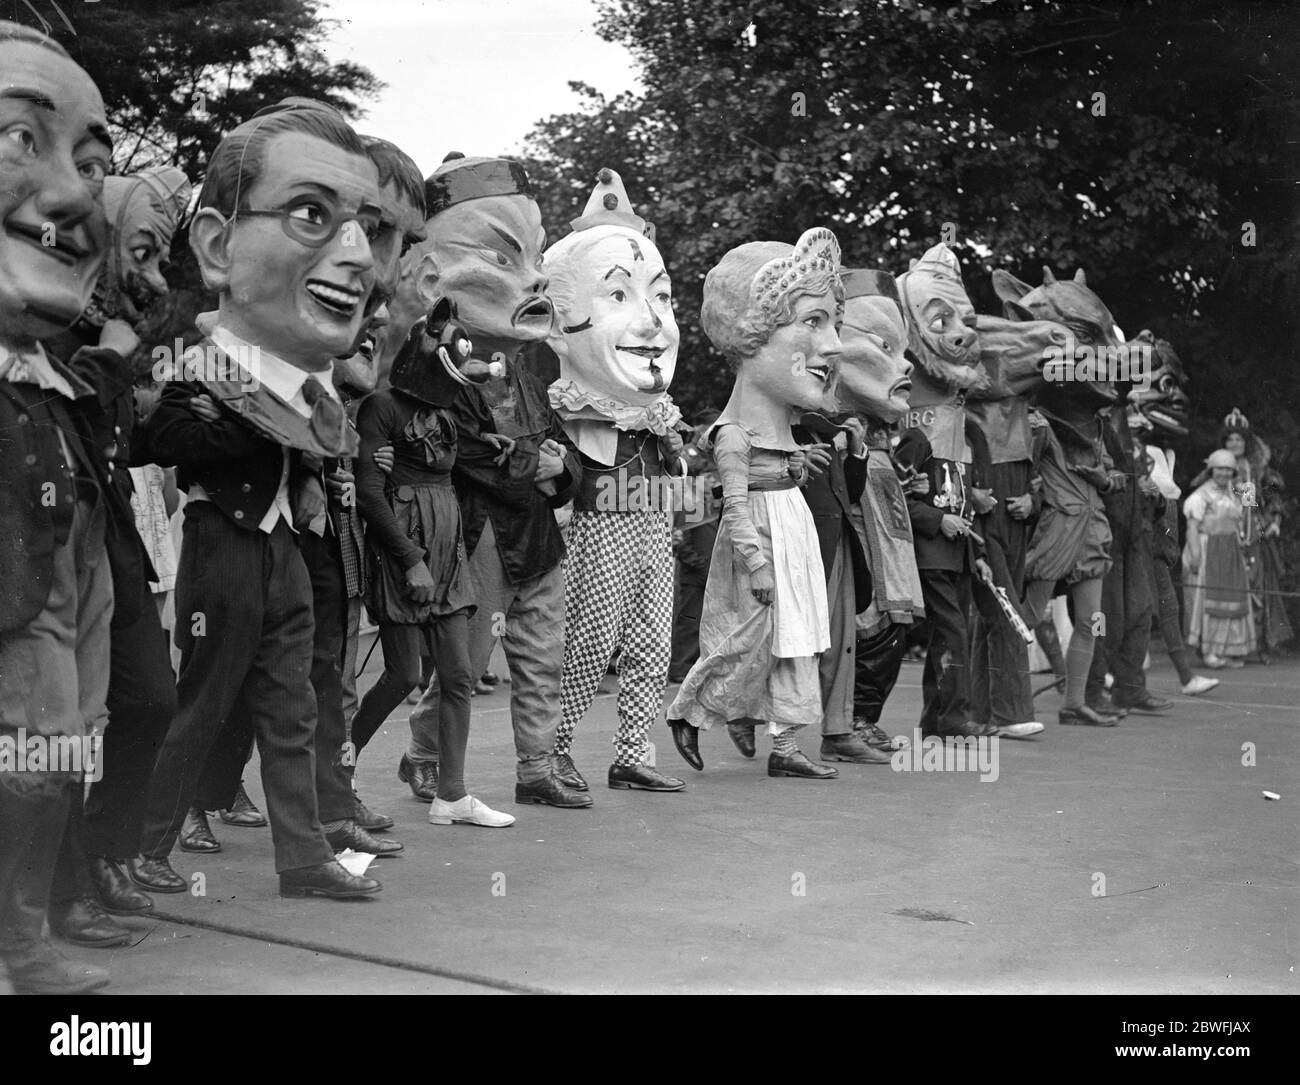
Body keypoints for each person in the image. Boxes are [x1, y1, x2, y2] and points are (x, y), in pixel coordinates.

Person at [133, 100, 386, 900]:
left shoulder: (310, 383)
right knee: (201, 706)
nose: (357, 257)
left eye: (365, 229)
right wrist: (263, 429)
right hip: (224, 541)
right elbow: (163, 438)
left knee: (293, 708)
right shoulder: (205, 364)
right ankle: (143, 846)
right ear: (217, 244)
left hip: (284, 548)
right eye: (312, 215)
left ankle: (303, 855)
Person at [392, 153, 590, 811]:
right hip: (478, 540)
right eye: (506, 260)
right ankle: (424, 756)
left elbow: (558, 447)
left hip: (536, 539)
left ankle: (535, 768)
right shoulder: (437, 371)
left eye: (532, 258)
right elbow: (463, 453)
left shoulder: (523, 369)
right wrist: (535, 466)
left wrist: (563, 471)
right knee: (465, 666)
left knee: (542, 659)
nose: (532, 279)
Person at [41, 165, 192, 948]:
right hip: (47, 541)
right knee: (60, 718)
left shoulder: (118, 322)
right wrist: (114, 356)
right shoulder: (43, 308)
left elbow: (128, 439)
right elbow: (58, 417)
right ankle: (62, 896)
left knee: (150, 696)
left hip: (111, 528)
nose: (156, 270)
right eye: (145, 245)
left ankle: (107, 851)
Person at [0, 20, 119, 992]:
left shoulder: (49, 367)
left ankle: (23, 940)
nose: (76, 191)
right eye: (18, 140)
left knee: (42, 759)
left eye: (89, 159)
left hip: (32, 591)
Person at [667, 227, 844, 779]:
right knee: (744, 640)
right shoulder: (734, 435)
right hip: (760, 538)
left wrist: (797, 465)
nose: (834, 344)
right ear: (753, 334)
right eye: (812, 320)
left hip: (793, 526)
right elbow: (737, 507)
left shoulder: (786, 431)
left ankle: (787, 746)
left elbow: (780, 472)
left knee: (800, 635)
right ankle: (691, 713)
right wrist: (758, 562)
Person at [545, 169, 688, 793]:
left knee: (654, 644)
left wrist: (679, 457)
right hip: (597, 528)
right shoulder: (561, 403)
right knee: (587, 643)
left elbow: (679, 482)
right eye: (618, 296)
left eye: (659, 296)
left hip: (653, 524)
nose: (653, 321)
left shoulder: (657, 412)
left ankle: (634, 752)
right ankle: (551, 750)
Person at [351, 314, 516, 828]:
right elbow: (371, 494)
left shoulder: (444, 413)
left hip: (448, 556)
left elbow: (446, 462)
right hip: (407, 556)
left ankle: (453, 795)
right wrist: (409, 559)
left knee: (459, 675)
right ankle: (340, 766)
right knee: (403, 674)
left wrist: (485, 445)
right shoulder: (380, 407)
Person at [1183, 449, 1256, 668]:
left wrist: (1246, 486)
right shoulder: (1200, 495)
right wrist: (1195, 555)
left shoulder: (1234, 492)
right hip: (1207, 549)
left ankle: (1229, 650)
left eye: (1228, 469)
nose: (1224, 473)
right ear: (1211, 470)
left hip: (1230, 549)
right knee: (1208, 601)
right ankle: (1209, 651)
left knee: (1232, 599)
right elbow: (1192, 528)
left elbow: (1248, 515)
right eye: (1219, 468)